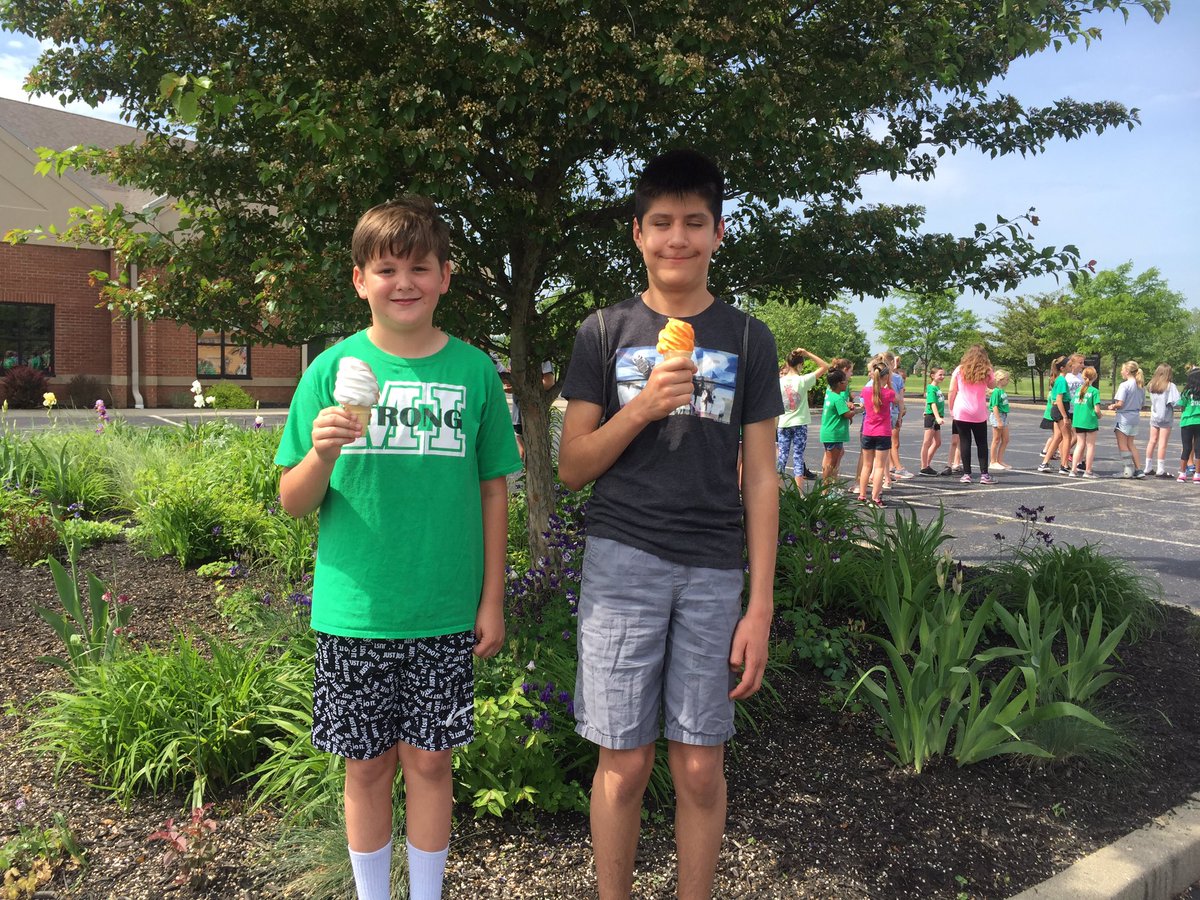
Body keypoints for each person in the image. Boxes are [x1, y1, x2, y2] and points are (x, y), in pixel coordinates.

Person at [274, 196, 522, 900]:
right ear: (360, 280)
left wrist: (492, 597)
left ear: (446, 276)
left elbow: (493, 489)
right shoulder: (331, 370)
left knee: (432, 764)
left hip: (443, 608)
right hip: (356, 611)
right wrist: (320, 454)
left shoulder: (474, 372)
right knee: (366, 767)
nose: (404, 281)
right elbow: (294, 501)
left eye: (420, 267)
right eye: (387, 268)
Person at [556, 149, 781, 900]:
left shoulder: (749, 338)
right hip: (623, 560)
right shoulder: (604, 330)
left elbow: (761, 478)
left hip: (716, 569)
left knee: (700, 764)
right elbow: (574, 465)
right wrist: (644, 405)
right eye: (661, 223)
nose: (676, 237)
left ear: (719, 232)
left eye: (694, 223)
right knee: (624, 761)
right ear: (637, 233)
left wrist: (761, 603)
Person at [777, 347, 830, 489]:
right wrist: (807, 353)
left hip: (783, 423)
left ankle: (777, 490)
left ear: (787, 364)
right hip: (800, 423)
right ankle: (799, 492)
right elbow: (825, 366)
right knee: (798, 457)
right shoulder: (802, 380)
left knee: (782, 456)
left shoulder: (779, 382)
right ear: (800, 365)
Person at [946, 344, 996, 484]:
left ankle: (967, 474)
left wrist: (951, 408)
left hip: (961, 410)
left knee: (965, 442)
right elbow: (992, 386)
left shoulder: (959, 370)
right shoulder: (987, 371)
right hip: (978, 411)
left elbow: (952, 391)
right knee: (981, 443)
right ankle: (984, 474)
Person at [856, 356, 896, 507]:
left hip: (868, 431)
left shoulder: (865, 391)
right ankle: (875, 497)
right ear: (886, 377)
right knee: (879, 466)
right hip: (883, 432)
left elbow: (863, 404)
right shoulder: (888, 394)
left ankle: (861, 495)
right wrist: (889, 382)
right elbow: (896, 397)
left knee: (867, 465)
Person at [1106, 360, 1146, 478]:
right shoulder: (1140, 386)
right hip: (1135, 416)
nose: (1121, 372)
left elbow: (1121, 403)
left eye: (1123, 369)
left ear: (1127, 371)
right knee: (1131, 444)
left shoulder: (1125, 385)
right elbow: (1142, 403)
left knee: (1122, 444)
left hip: (1124, 417)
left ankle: (1128, 469)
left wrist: (1113, 406)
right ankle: (1139, 469)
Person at [820, 367, 857, 485]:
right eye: (845, 381)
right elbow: (846, 414)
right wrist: (857, 410)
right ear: (839, 383)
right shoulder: (838, 398)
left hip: (829, 432)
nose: (847, 384)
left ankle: (828, 488)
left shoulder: (830, 395)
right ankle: (826, 489)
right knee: (832, 463)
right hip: (834, 434)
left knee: (831, 462)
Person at [1144, 364, 1181, 478]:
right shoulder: (1170, 386)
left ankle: (1148, 466)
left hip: (1154, 415)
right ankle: (1160, 469)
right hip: (1165, 416)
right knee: (1162, 443)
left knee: (1152, 441)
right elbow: (1176, 402)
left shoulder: (1152, 385)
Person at [1037, 355, 1071, 474]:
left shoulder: (1059, 379)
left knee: (1057, 437)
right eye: (1069, 365)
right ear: (1062, 368)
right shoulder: (1061, 380)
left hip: (1056, 409)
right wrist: (1065, 416)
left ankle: (1044, 463)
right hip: (1060, 410)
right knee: (1067, 437)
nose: (1071, 367)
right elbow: (1059, 399)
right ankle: (1064, 465)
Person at [1068, 366, 1102, 478]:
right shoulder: (1094, 391)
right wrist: (1100, 415)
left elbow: (1075, 403)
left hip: (1078, 420)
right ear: (1095, 377)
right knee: (1090, 445)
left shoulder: (1079, 390)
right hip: (1090, 420)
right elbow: (1097, 409)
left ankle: (1073, 470)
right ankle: (1088, 470)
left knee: (1079, 444)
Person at [885, 352, 912, 479]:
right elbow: (897, 399)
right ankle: (898, 467)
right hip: (890, 413)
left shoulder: (894, 378)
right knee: (893, 442)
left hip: (894, 413)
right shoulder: (891, 379)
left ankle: (890, 466)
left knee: (891, 443)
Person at [918, 366, 946, 476]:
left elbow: (928, 401)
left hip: (935, 417)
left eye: (943, 375)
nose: (942, 377)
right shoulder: (931, 388)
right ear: (933, 375)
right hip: (932, 417)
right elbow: (932, 403)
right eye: (940, 374)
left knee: (937, 442)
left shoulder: (937, 389)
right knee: (927, 442)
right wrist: (937, 417)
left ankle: (927, 464)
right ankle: (923, 467)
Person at [1176, 366, 1200, 483]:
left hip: (1187, 422)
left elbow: (1182, 406)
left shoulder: (1186, 392)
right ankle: (1197, 475)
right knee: (1198, 449)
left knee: (1186, 448)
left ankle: (1182, 473)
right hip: (1199, 421)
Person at [987, 370, 1012, 470]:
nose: (1008, 381)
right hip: (998, 416)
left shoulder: (1002, 391)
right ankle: (993, 461)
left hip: (1004, 416)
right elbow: (995, 407)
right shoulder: (996, 391)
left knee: (1006, 440)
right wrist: (999, 421)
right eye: (1007, 379)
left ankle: (1000, 460)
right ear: (1000, 380)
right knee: (996, 439)